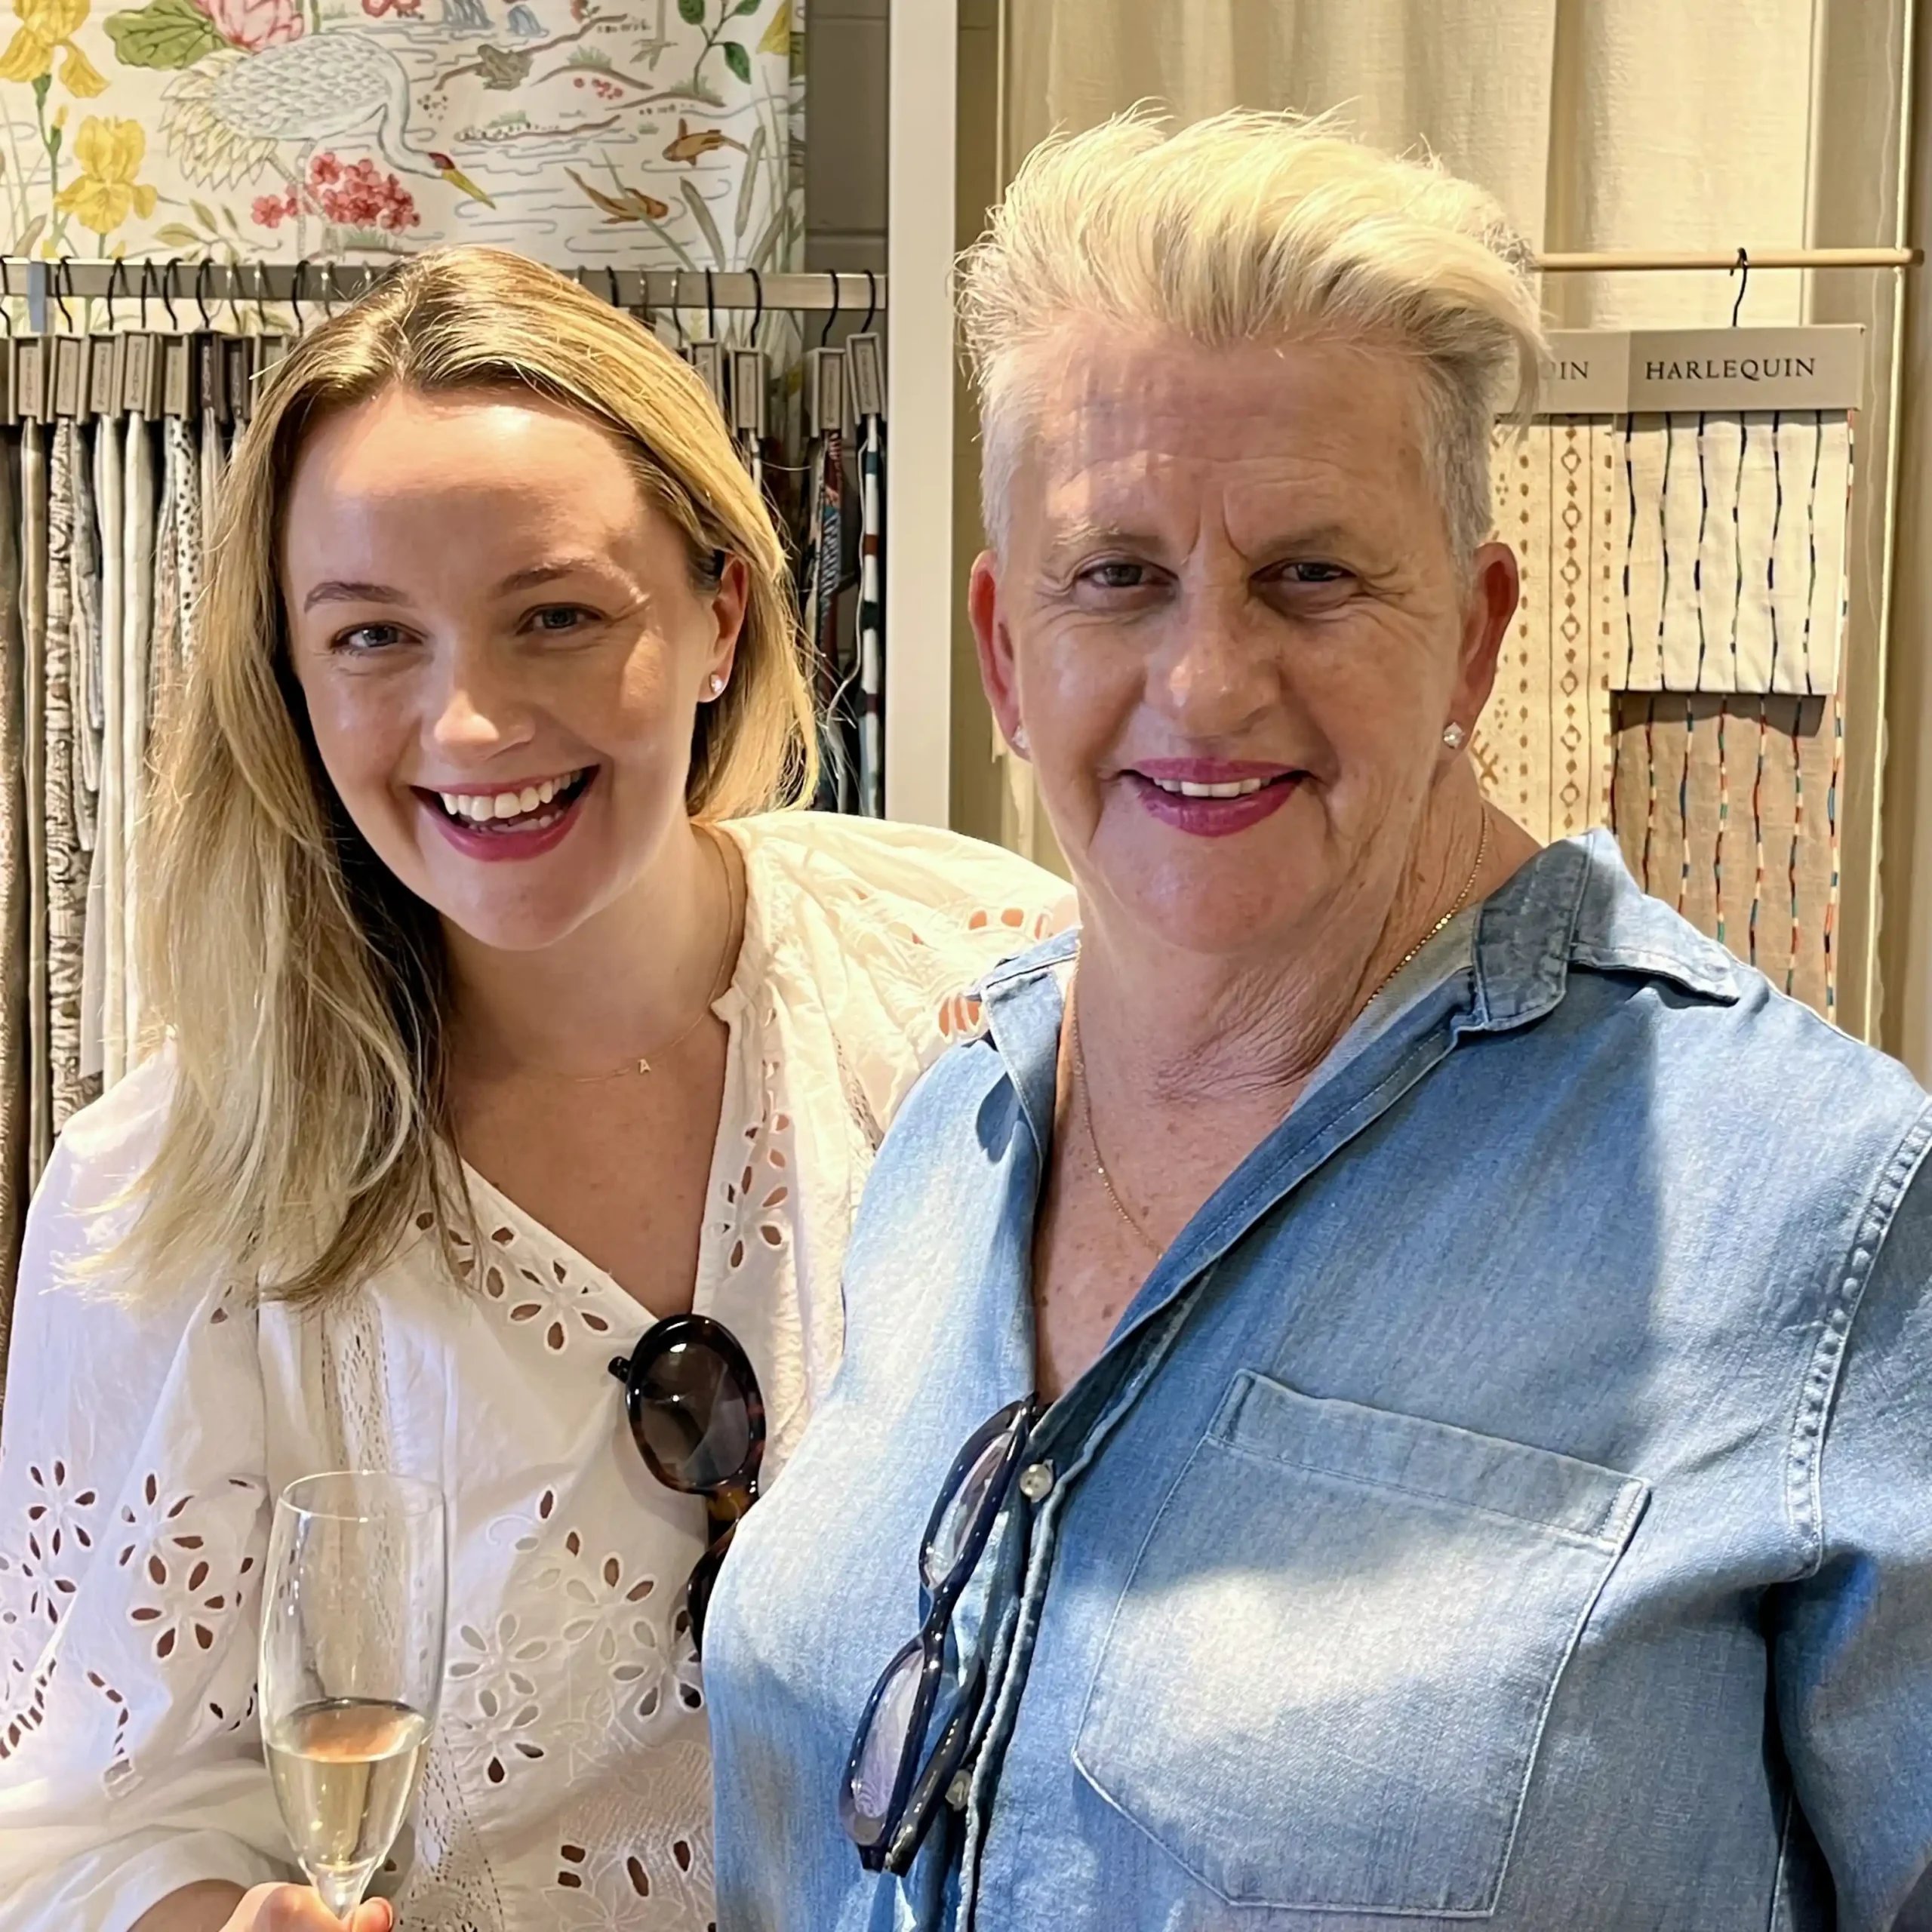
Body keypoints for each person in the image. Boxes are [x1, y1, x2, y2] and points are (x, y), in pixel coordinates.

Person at [703, 111, 1932, 1932]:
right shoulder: (953, 1125)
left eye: (1312, 574)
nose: (1206, 682)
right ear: (1002, 652)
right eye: (1115, 573)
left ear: (1473, 636)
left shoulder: (1818, 1215)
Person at [0, 248, 1067, 1932]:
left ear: (719, 618)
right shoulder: (167, 1195)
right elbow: (79, 1830)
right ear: (292, 678)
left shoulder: (990, 992)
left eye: (556, 615)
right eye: (373, 636)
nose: (472, 722)